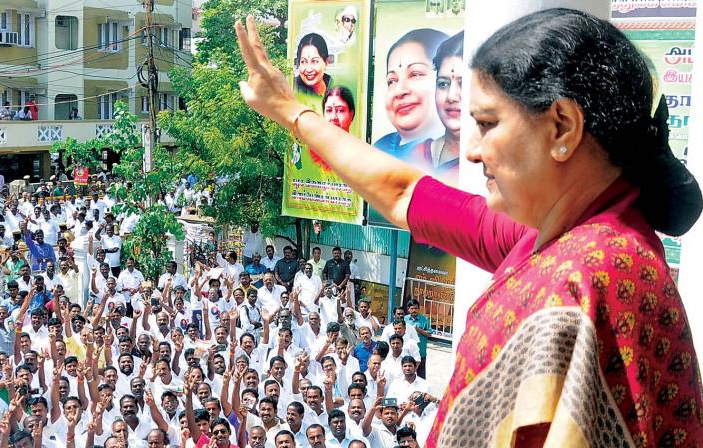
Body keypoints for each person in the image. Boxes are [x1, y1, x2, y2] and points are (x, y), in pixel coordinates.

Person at [234, 8, 703, 447]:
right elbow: (402, 192)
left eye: (488, 123)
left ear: (562, 127)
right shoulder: (559, 240)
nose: (473, 151)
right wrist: (291, 111)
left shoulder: (581, 279)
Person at [372, 29, 447, 169]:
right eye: (392, 81)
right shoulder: (380, 147)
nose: (399, 91)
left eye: (415, 74)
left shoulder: (455, 156)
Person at [429, 31, 464, 179]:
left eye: (463, 84)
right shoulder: (417, 153)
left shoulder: (497, 165)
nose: (451, 96)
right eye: (443, 84)